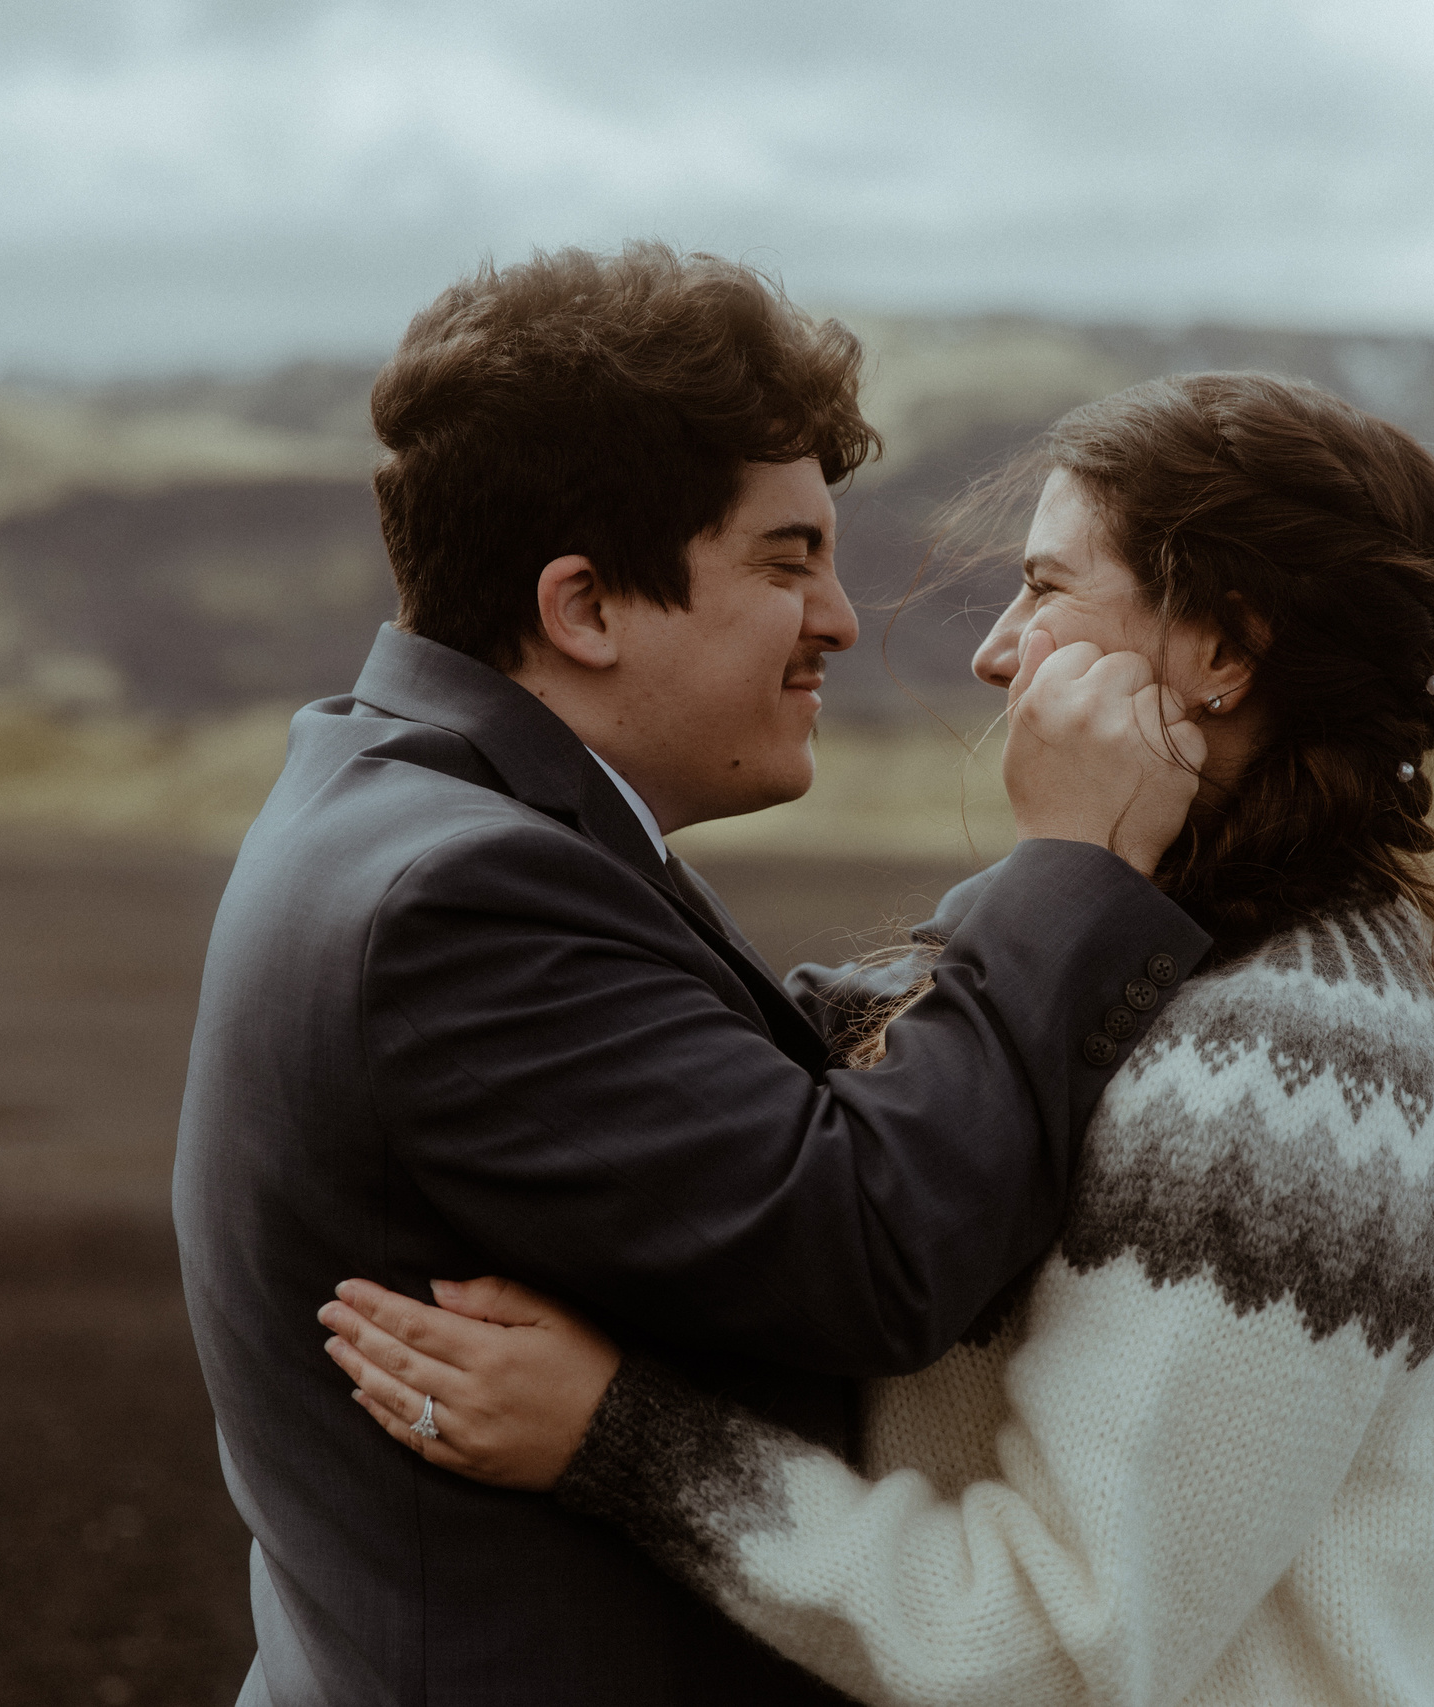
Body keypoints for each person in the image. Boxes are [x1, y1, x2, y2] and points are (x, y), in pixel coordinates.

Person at [321, 372, 1434, 1706]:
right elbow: (894, 1064)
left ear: (1222, 652)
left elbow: (1055, 1646)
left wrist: (620, 1439)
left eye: (1050, 587)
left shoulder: (1286, 1073)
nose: (996, 648)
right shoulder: (1179, 966)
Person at [172, 242, 1215, 1707]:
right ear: (584, 607)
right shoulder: (461, 893)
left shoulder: (422, 801)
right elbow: (873, 1247)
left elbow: (733, 1097)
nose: (843, 620)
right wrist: (1071, 869)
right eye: (789, 561)